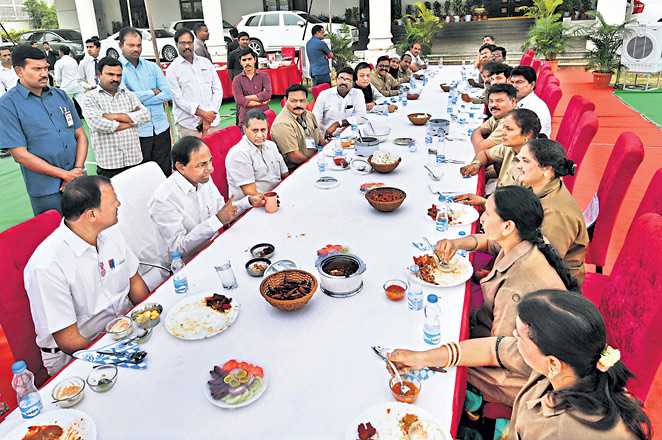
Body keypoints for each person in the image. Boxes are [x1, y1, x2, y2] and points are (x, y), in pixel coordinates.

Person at [389, 290, 652, 440]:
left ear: (552, 362)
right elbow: (494, 350)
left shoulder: (563, 430)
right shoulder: (569, 366)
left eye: (520, 335)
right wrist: (419, 358)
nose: (514, 338)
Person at [434, 186, 578, 405]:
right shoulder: (522, 241)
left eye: (488, 214)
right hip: (517, 345)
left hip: (526, 371)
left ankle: (472, 408)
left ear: (508, 226)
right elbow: (489, 242)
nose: (482, 218)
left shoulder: (517, 287)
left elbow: (496, 349)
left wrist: (445, 350)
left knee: (441, 363)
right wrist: (456, 243)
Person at [24, 175, 150, 376]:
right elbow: (70, 341)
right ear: (92, 215)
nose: (119, 204)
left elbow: (135, 282)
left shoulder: (110, 232)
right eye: (112, 201)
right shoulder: (47, 266)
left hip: (123, 330)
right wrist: (122, 357)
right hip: (81, 354)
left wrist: (149, 322)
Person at [0, 45, 88, 215]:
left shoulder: (60, 95)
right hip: (46, 190)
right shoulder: (8, 105)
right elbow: (21, 155)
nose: (44, 74)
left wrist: (76, 170)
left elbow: (80, 135)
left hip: (77, 180)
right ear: (19, 71)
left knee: (87, 231)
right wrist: (65, 175)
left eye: (46, 68)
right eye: (37, 69)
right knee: (54, 235)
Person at [148, 136, 264, 265]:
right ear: (181, 167)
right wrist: (218, 220)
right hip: (185, 266)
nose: (211, 168)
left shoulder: (202, 178)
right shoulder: (163, 200)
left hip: (215, 248)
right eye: (202, 164)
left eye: (210, 161)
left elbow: (223, 212)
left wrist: (248, 202)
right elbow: (178, 249)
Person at [517, 139, 589, 286]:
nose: (518, 166)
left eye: (525, 161)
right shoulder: (537, 188)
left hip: (553, 288)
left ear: (547, 170)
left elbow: (542, 265)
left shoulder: (555, 214)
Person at [118, 27, 174, 177]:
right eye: (131, 45)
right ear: (120, 46)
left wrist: (137, 98)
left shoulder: (152, 67)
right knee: (143, 178)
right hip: (137, 133)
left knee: (165, 174)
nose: (136, 49)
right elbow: (125, 101)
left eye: (139, 45)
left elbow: (168, 94)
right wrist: (153, 91)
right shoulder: (116, 70)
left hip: (161, 128)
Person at [82, 57, 150, 178]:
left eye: (119, 75)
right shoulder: (90, 98)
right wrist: (132, 121)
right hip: (109, 164)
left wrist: (114, 116)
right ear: (99, 74)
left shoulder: (128, 95)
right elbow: (98, 124)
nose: (116, 79)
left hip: (134, 159)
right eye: (110, 74)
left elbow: (145, 115)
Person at [461, 108, 541, 186]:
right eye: (503, 128)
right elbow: (485, 154)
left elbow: (517, 199)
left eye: (509, 129)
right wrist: (476, 164)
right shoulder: (510, 147)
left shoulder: (531, 165)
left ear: (528, 134)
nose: (502, 133)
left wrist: (484, 200)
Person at [167, 28, 223, 138]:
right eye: (182, 43)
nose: (187, 46)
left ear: (193, 43)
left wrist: (209, 114)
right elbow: (178, 100)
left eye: (189, 42)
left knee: (215, 154)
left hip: (212, 122)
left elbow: (217, 90)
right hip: (188, 126)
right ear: (176, 44)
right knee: (191, 155)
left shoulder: (205, 63)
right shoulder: (172, 70)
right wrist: (203, 114)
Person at [226, 109, 288, 203]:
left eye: (263, 130)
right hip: (252, 207)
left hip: (276, 195)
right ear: (245, 130)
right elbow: (251, 193)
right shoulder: (238, 154)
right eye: (255, 130)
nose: (260, 135)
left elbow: (285, 174)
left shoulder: (272, 146)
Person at [271, 84, 322, 172]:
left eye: (302, 101)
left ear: (306, 100)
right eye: (294, 101)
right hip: (298, 169)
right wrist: (318, 163)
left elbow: (320, 140)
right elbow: (295, 158)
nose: (298, 104)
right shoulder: (282, 124)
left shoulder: (309, 115)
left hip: (315, 159)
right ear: (285, 100)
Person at [312, 66, 367, 140]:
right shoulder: (324, 95)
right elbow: (315, 120)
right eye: (340, 79)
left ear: (353, 84)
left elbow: (362, 117)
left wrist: (338, 123)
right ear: (335, 79)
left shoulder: (357, 94)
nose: (343, 82)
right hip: (325, 137)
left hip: (347, 136)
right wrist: (319, 139)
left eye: (348, 80)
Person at [470, 83, 518, 153]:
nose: (493, 105)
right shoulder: (500, 114)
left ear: (513, 101)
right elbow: (480, 130)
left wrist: (477, 137)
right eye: (491, 101)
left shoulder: (511, 121)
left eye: (499, 100)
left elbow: (480, 150)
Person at [232, 48, 271, 128]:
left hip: (263, 117)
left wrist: (246, 98)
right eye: (244, 60)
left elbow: (267, 94)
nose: (247, 62)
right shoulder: (237, 80)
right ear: (240, 62)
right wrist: (261, 102)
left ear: (255, 59)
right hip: (246, 120)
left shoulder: (264, 76)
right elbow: (239, 100)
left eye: (249, 59)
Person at [509, 65, 551, 137]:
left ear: (532, 85)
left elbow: (536, 139)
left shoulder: (535, 108)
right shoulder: (515, 100)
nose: (514, 86)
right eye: (512, 82)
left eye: (519, 82)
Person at [54, 46, 85, 111]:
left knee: (67, 108)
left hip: (66, 87)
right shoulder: (74, 60)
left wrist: (58, 85)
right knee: (84, 106)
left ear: (61, 52)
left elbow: (58, 77)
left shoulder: (59, 62)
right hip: (78, 86)